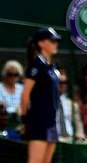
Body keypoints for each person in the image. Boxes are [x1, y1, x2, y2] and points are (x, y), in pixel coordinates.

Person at [20, 27, 62, 163]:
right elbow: (25, 95)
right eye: (52, 41)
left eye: (56, 41)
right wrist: (25, 120)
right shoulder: (36, 65)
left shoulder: (52, 67)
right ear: (41, 43)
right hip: (39, 121)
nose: (56, 44)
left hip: (52, 122)